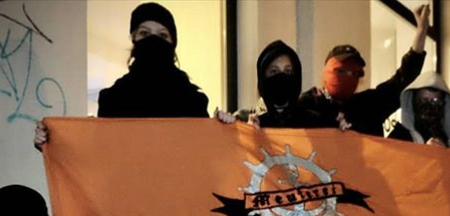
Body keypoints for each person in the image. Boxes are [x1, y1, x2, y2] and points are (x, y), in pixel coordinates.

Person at [34, 2, 208, 148]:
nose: (153, 40)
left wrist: (222, 128)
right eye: (144, 33)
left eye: (162, 35)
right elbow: (97, 153)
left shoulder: (194, 101)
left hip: (180, 179)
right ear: (134, 39)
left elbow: (208, 154)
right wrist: (52, 141)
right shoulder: (113, 99)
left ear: (172, 43)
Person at [298, 4, 431, 136]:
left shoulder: (368, 105)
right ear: (327, 70)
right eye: (341, 71)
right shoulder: (309, 103)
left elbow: (402, 80)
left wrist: (421, 31)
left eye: (355, 73)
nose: (348, 77)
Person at [217, 40, 335, 129]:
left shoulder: (315, 122)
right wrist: (225, 127)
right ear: (263, 78)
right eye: (274, 71)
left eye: (288, 71)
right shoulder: (244, 120)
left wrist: (340, 126)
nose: (281, 77)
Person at [388, 70, 450, 148]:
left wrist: (446, 153)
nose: (429, 107)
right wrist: (426, 152)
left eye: (435, 101)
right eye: (423, 100)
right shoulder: (398, 139)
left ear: (444, 104)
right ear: (413, 103)